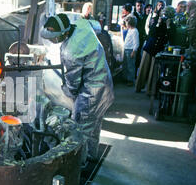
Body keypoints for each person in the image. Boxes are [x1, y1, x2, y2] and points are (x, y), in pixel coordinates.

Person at [41, 13, 114, 165]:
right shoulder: (82, 24)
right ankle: (91, 155)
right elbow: (98, 27)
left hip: (91, 92)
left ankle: (78, 164)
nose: (52, 41)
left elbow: (73, 84)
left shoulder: (70, 51)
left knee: (79, 128)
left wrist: (65, 90)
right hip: (105, 81)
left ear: (62, 34)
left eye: (53, 38)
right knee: (94, 124)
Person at [136, 5, 176, 94]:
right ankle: (139, 86)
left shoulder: (172, 25)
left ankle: (150, 90)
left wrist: (168, 26)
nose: (165, 15)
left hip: (159, 49)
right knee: (143, 68)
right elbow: (151, 33)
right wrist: (157, 24)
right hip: (150, 47)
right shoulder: (157, 20)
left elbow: (171, 38)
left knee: (153, 72)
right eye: (164, 13)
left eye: (168, 14)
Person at [122, 16, 139, 86]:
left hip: (130, 50)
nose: (126, 24)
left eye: (126, 23)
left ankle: (131, 80)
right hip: (126, 49)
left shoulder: (135, 31)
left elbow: (136, 42)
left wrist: (134, 51)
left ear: (130, 23)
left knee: (130, 66)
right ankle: (126, 78)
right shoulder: (130, 30)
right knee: (126, 65)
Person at [133, 0, 147, 77]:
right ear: (135, 7)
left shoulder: (146, 16)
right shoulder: (133, 15)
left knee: (140, 56)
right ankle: (133, 74)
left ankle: (139, 74)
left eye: (141, 6)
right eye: (137, 6)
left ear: (144, 6)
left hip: (142, 38)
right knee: (135, 56)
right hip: (135, 38)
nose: (139, 7)